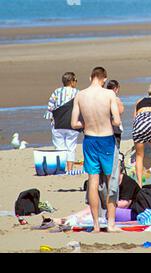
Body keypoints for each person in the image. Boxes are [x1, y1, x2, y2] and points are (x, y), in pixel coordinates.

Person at [71, 66, 122, 233]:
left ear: (90, 77)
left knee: (92, 181)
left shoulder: (80, 95)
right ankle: (111, 223)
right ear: (104, 79)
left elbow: (74, 124)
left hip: (89, 139)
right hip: (106, 139)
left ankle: (96, 225)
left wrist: (87, 123)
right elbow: (116, 121)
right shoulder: (109, 94)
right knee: (111, 180)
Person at [44, 72, 80, 171]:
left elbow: (50, 108)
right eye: (75, 80)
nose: (76, 82)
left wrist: (52, 120)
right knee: (71, 146)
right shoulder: (77, 93)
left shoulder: (56, 92)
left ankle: (61, 169)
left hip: (58, 123)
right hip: (72, 123)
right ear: (72, 82)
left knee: (59, 147)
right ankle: (70, 169)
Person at [106, 80, 125, 147]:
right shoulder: (116, 99)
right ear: (115, 89)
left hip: (104, 126)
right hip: (114, 126)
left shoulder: (103, 97)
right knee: (115, 147)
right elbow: (120, 111)